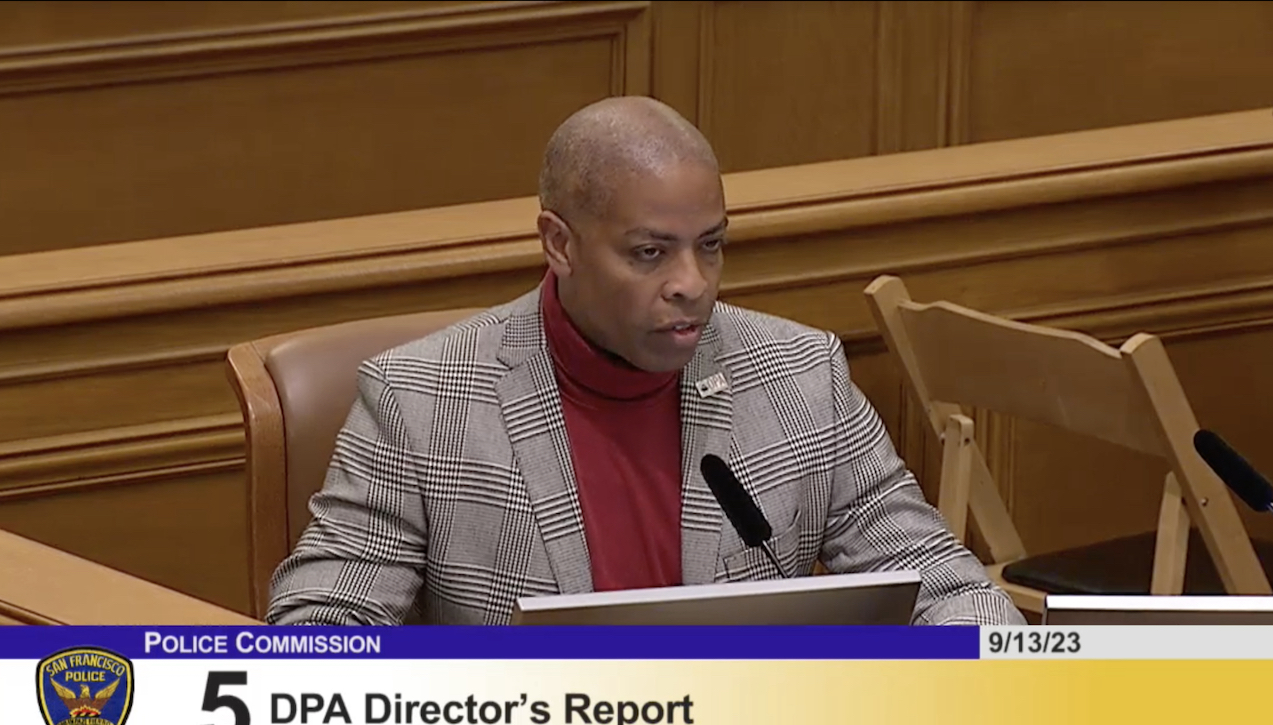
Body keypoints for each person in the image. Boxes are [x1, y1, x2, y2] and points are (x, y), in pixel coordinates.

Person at [266, 96, 1026, 627]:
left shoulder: (801, 376)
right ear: (559, 244)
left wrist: (994, 667)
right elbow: (321, 622)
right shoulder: (419, 401)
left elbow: (941, 581)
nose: (690, 284)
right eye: (649, 253)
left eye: (711, 244)